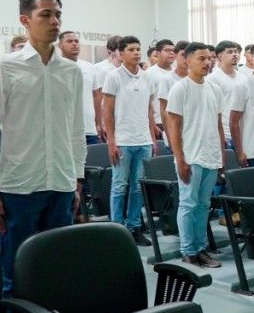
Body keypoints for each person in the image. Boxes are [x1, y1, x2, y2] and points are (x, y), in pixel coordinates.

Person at [0, 0, 85, 298]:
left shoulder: (71, 72)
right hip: (19, 188)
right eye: (45, 15)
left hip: (61, 185)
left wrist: (77, 179)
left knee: (56, 270)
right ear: (25, 20)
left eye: (58, 14)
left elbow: (75, 131)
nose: (54, 21)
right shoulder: (5, 68)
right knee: (16, 274)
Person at [165, 42, 225, 268]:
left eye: (209, 58)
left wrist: (220, 157)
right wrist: (180, 159)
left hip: (210, 156)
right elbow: (173, 127)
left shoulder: (214, 89)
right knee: (188, 204)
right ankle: (188, 251)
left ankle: (200, 249)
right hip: (190, 157)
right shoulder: (180, 89)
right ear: (187, 61)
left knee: (203, 205)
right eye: (201, 58)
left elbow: (218, 125)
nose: (207, 62)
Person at [102, 35, 157, 246]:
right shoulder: (114, 77)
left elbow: (149, 111)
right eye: (131, 49)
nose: (136, 53)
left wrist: (152, 139)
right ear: (121, 53)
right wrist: (111, 142)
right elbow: (107, 112)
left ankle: (134, 227)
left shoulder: (147, 77)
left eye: (138, 49)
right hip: (123, 141)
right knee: (119, 186)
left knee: (137, 188)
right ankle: (117, 228)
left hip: (142, 140)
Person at [230, 42, 254, 167]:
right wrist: (239, 151)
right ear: (251, 58)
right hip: (252, 152)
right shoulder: (242, 86)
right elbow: (234, 122)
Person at [58, 30, 99, 145]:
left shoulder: (89, 67)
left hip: (89, 129)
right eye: (69, 41)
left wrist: (99, 123)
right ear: (60, 45)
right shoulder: (54, 67)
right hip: (65, 131)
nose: (74, 44)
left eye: (76, 41)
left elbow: (96, 95)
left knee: (92, 162)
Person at [207, 40, 243, 147]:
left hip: (242, 132)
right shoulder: (212, 79)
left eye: (236, 52)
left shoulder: (243, 77)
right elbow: (211, 110)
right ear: (219, 56)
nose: (235, 55)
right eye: (230, 52)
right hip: (225, 134)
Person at [92, 35, 122, 140]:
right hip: (107, 118)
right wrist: (101, 123)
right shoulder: (100, 69)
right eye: (120, 49)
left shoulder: (125, 69)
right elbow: (99, 98)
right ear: (111, 50)